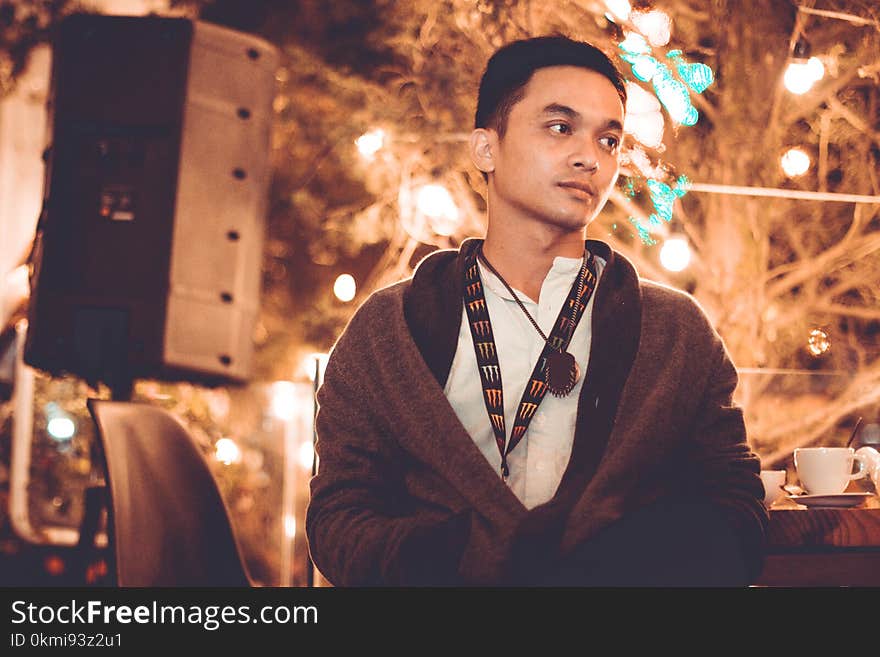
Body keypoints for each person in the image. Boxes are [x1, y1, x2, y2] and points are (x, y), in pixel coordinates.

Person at [306, 35, 768, 587]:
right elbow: (337, 517)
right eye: (560, 126)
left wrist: (608, 571)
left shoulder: (675, 333)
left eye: (609, 139)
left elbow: (737, 508)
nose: (588, 156)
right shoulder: (389, 329)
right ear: (486, 149)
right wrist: (459, 562)